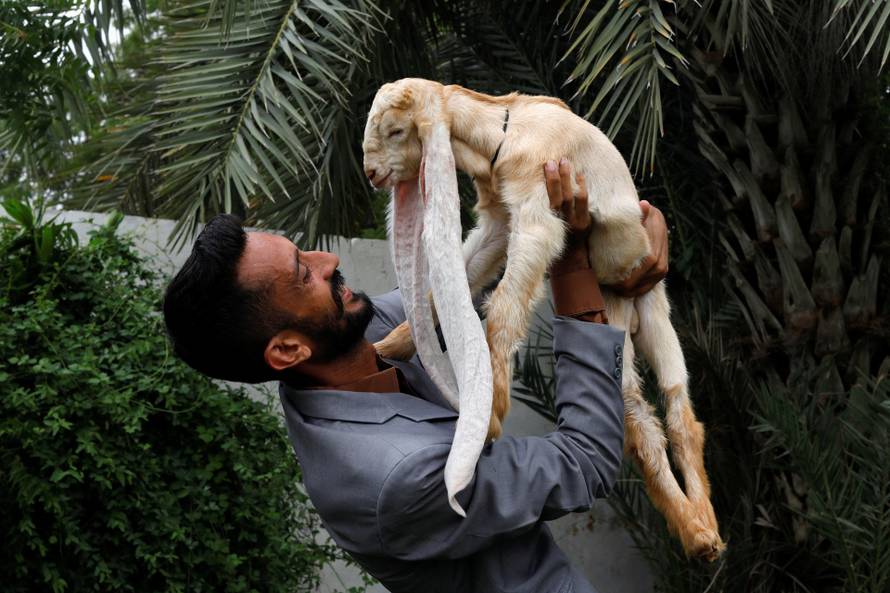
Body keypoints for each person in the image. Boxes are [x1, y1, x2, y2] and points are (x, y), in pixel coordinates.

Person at [163, 159, 669, 593]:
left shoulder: (346, 343)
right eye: (303, 273)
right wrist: (574, 265)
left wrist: (611, 239)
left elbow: (468, 288)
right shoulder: (396, 479)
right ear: (287, 349)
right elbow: (587, 461)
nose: (329, 260)